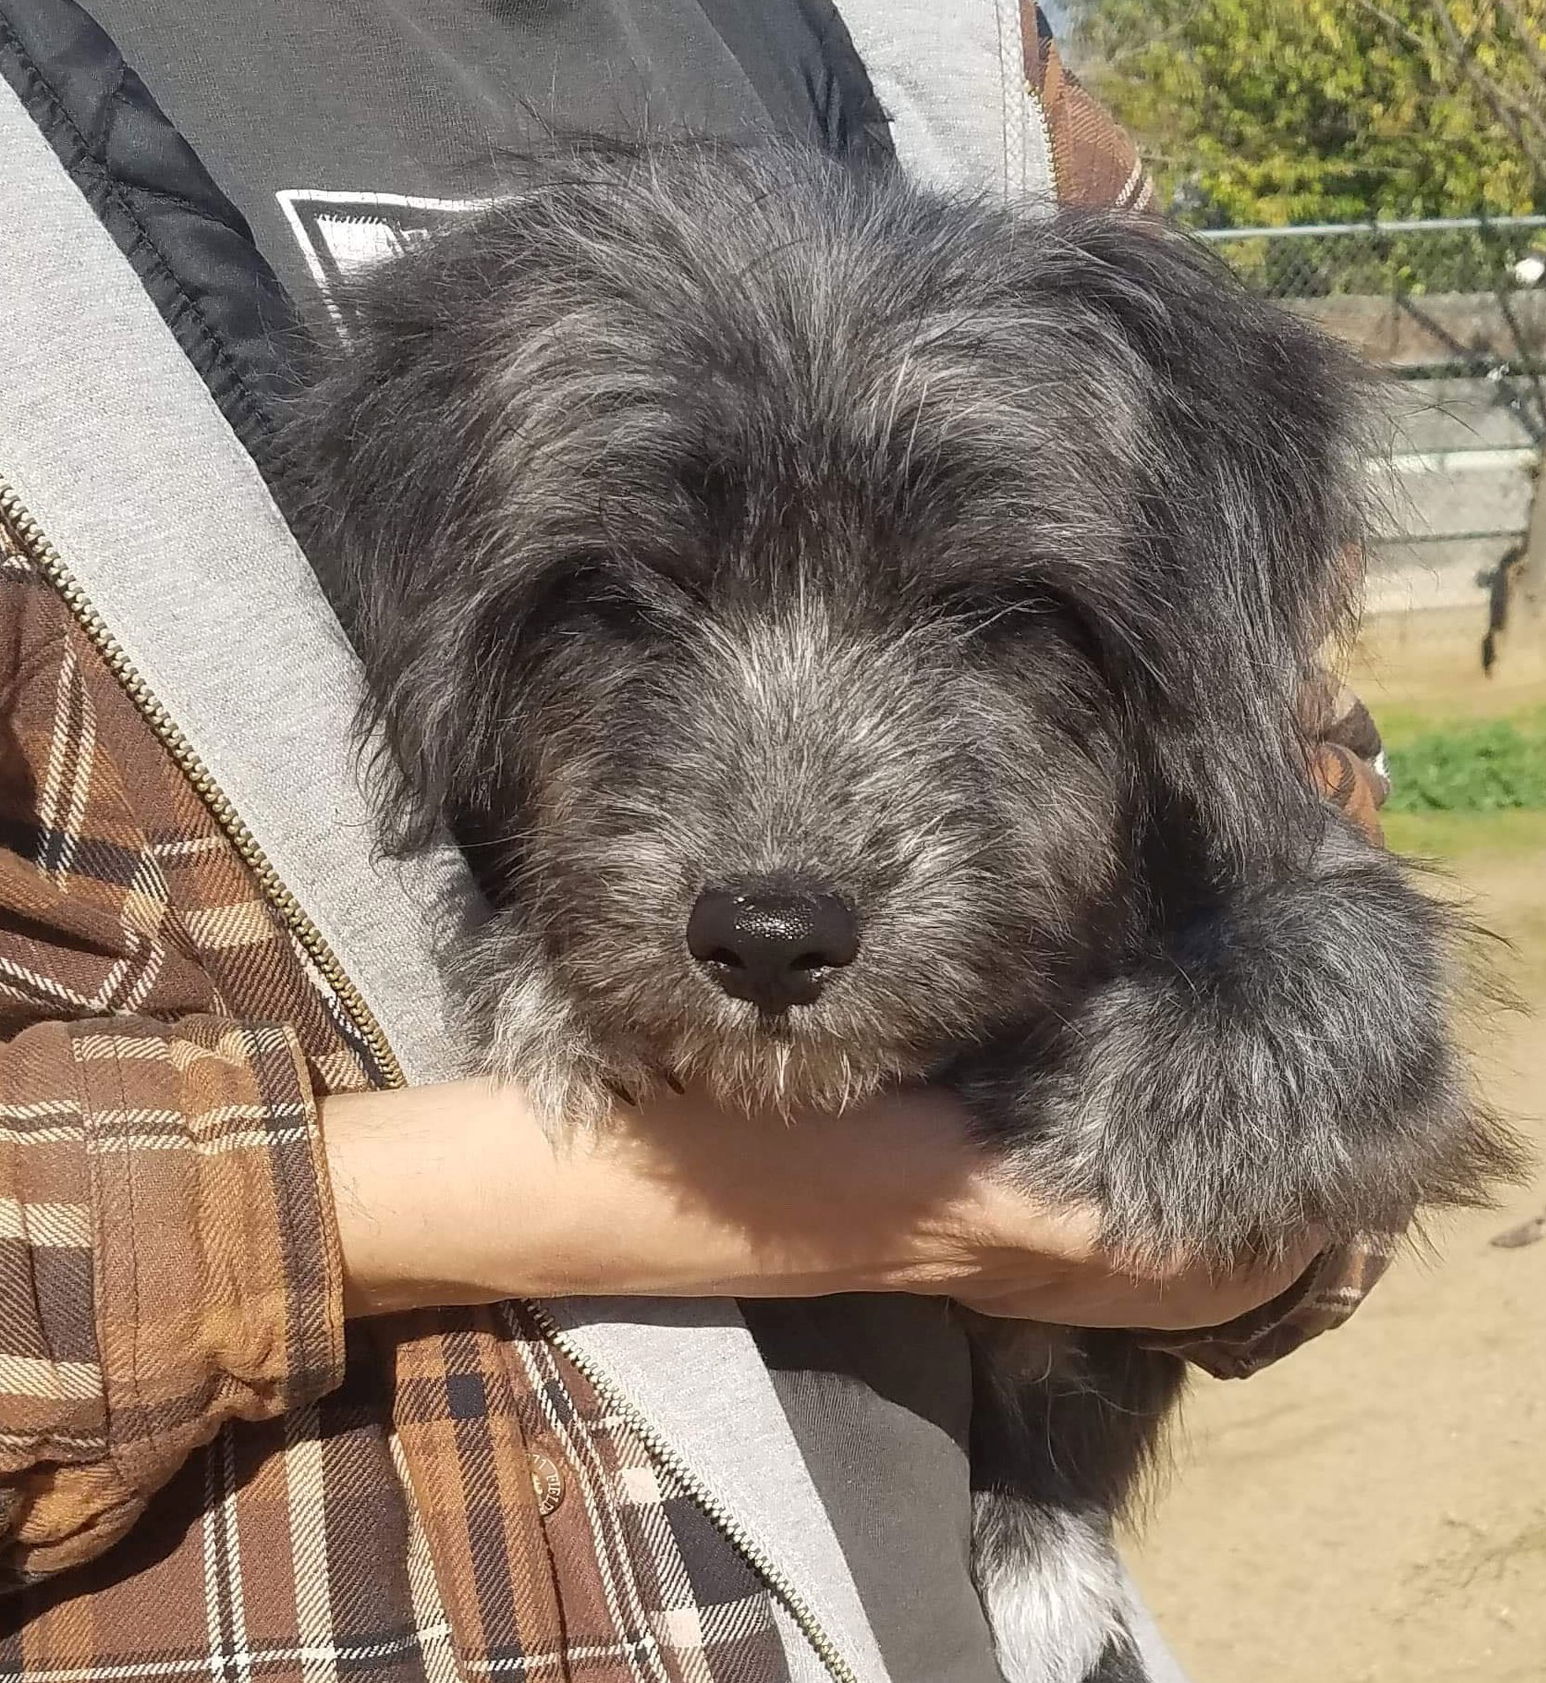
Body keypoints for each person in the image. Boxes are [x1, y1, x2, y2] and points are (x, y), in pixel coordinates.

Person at [0, 3, 1391, 1678]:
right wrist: (432, 1199)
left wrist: (1255, 1160)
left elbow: (1298, 837)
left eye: (992, 613)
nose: (784, 819)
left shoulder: (930, 52)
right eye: (619, 604)